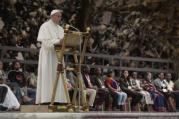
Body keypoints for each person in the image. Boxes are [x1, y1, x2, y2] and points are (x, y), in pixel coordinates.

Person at [36, 9, 67, 104]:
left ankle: (58, 99)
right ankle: (46, 99)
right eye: (58, 16)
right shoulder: (45, 26)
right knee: (48, 75)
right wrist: (57, 41)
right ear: (52, 16)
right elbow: (45, 42)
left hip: (58, 56)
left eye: (60, 16)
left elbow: (64, 42)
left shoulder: (61, 29)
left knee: (58, 76)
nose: (59, 18)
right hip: (48, 55)